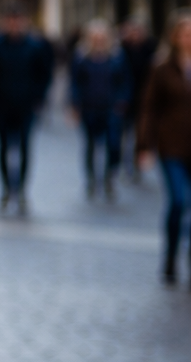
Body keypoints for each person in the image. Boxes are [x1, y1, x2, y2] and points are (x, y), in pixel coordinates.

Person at [0, 7, 54, 212]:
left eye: (17, 20)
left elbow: (44, 75)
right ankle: (6, 189)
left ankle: (22, 190)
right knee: (3, 148)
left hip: (26, 106)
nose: (14, 24)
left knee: (25, 147)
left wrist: (39, 97)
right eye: (10, 20)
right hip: (0, 106)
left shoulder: (34, 47)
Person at [138, 14, 191, 284]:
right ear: (174, 37)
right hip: (172, 146)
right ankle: (170, 256)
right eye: (184, 33)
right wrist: (144, 145)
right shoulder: (162, 68)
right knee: (179, 201)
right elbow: (150, 108)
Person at [69, 21, 132, 200]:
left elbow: (125, 81)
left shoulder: (117, 56)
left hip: (111, 108)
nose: (98, 41)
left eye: (101, 37)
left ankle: (108, 178)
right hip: (89, 107)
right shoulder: (81, 56)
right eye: (95, 38)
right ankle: (91, 179)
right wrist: (74, 104)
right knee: (90, 145)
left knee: (113, 144)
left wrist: (123, 100)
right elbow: (75, 82)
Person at [120, 19, 158, 179]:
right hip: (127, 99)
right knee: (127, 134)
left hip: (145, 98)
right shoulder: (122, 51)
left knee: (140, 134)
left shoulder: (150, 50)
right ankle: (128, 164)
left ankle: (136, 164)